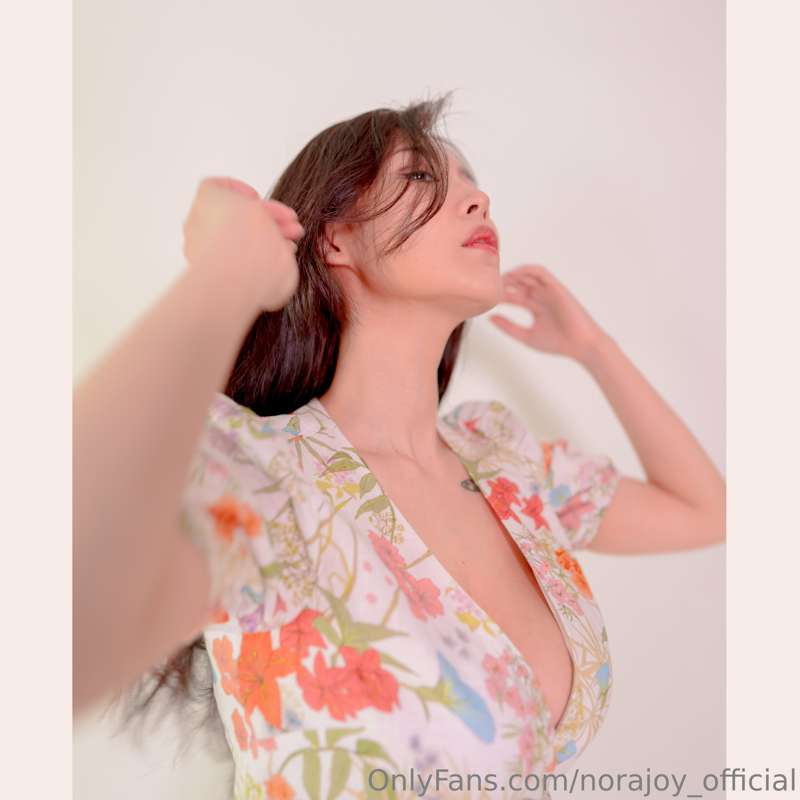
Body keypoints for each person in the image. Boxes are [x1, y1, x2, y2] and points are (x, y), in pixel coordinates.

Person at [73, 92, 726, 800]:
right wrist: (225, 273)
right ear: (334, 240)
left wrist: (594, 349)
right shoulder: (269, 479)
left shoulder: (501, 460)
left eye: (472, 181)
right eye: (420, 176)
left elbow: (706, 510)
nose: (477, 199)